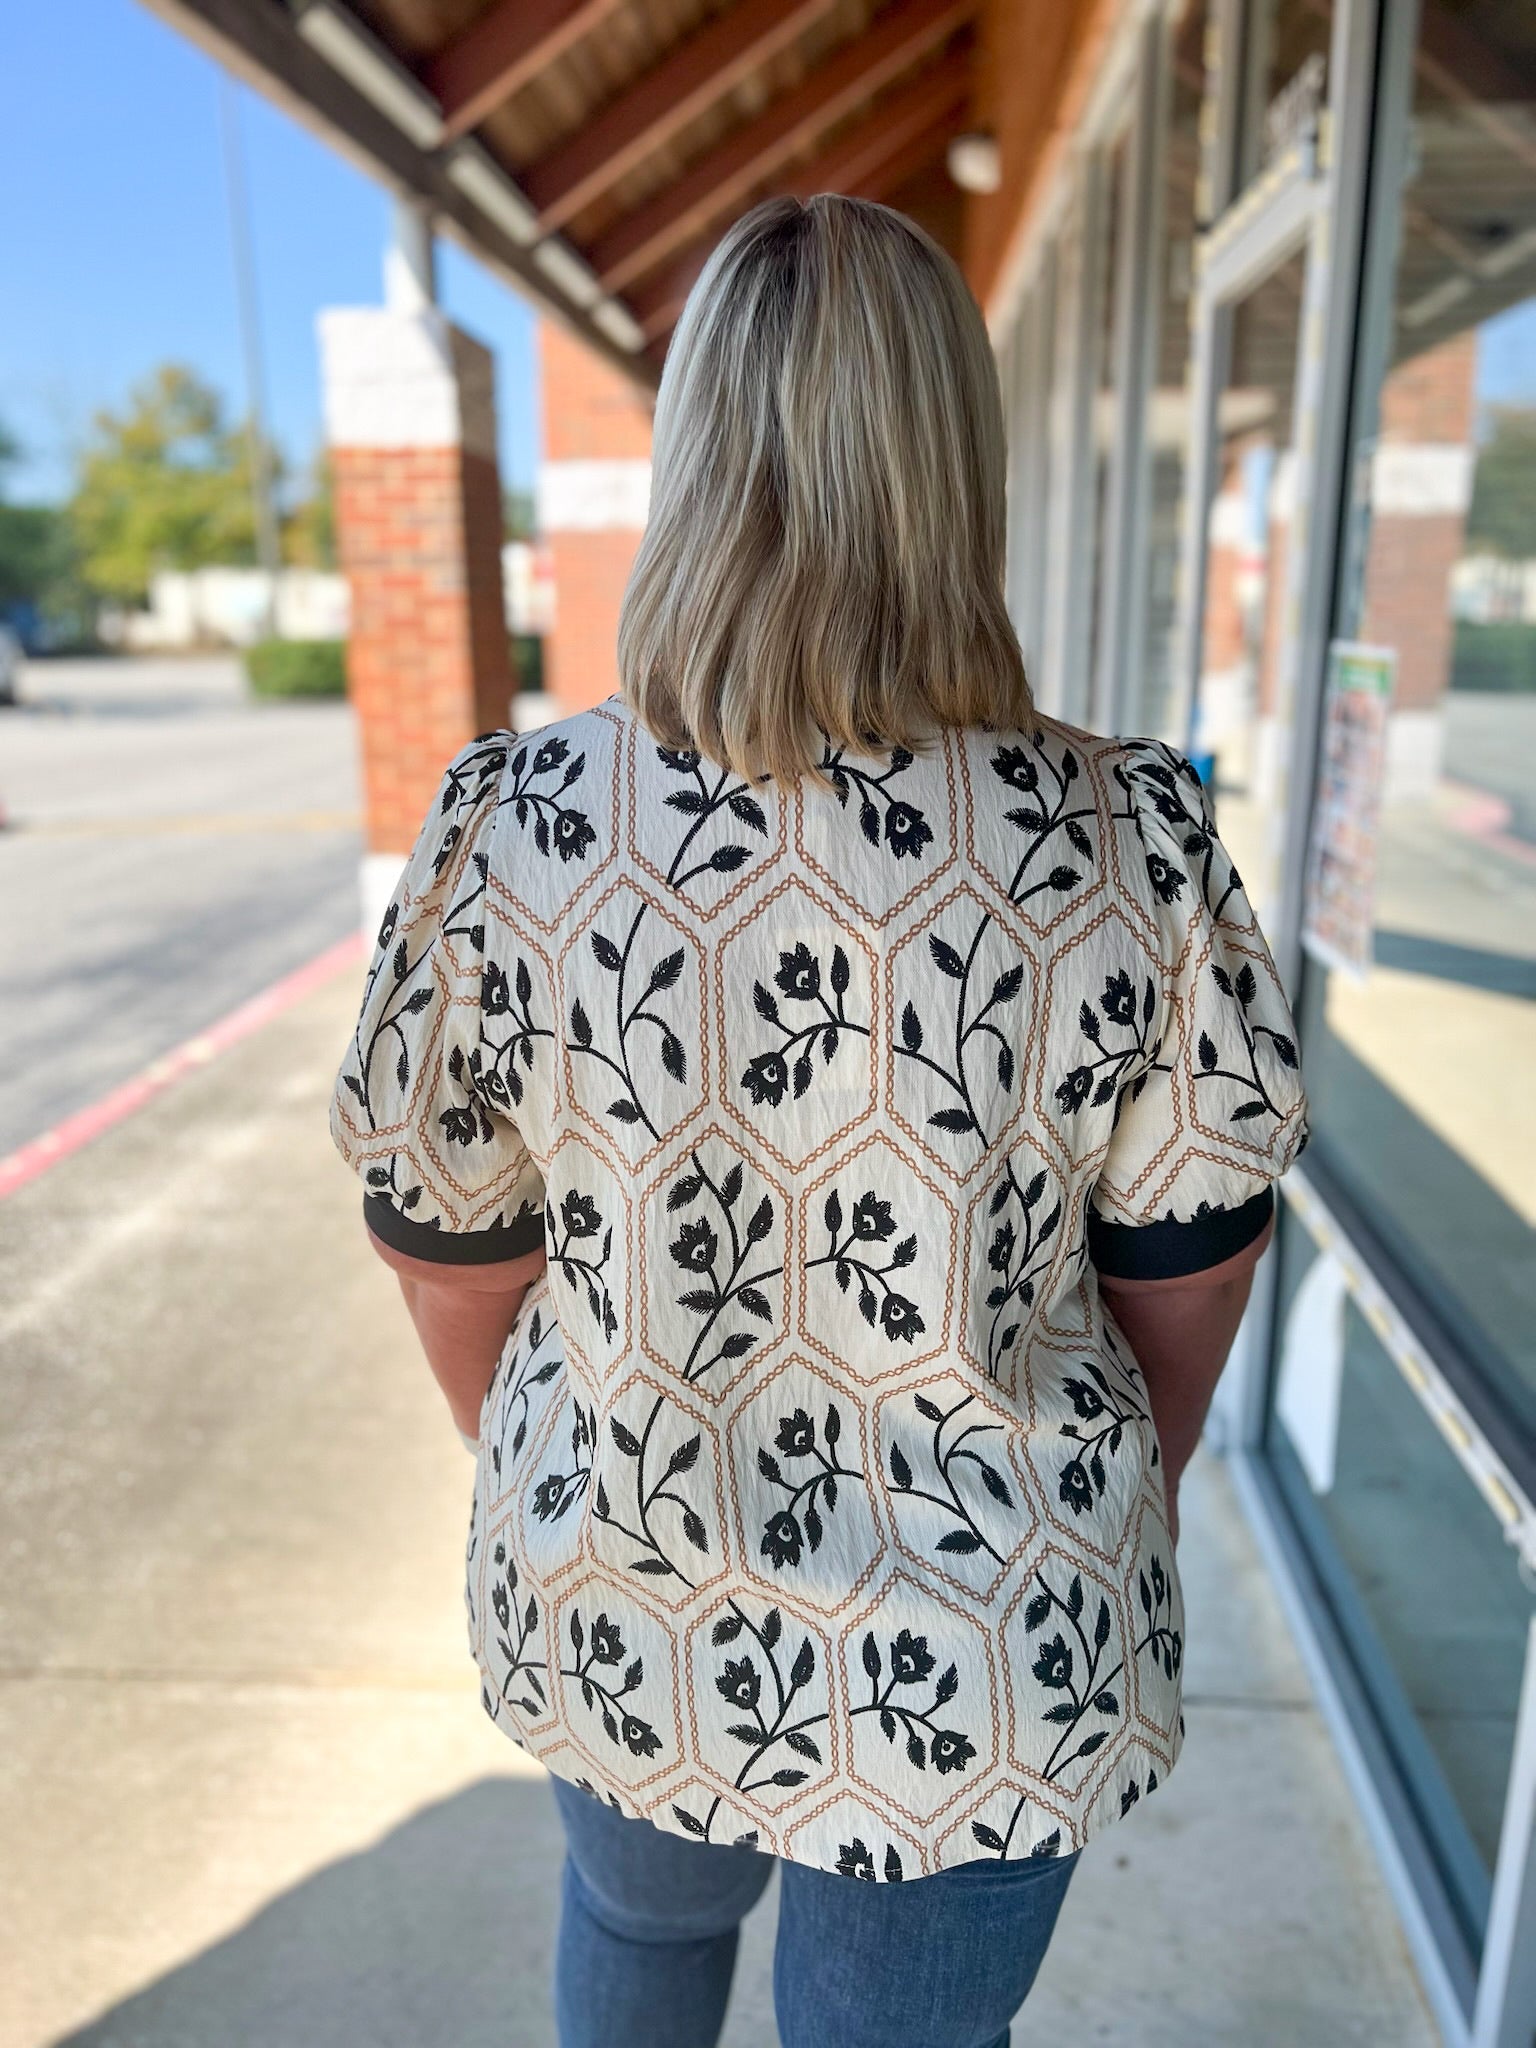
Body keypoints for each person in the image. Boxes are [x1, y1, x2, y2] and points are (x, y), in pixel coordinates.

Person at [331, 194, 1308, 2048]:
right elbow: (1188, 1273)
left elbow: (446, 1234)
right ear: (960, 463)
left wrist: (574, 1436)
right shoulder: (1127, 840)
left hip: (623, 1574)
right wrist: (1079, 1490)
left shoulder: (515, 829)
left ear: (694, 453)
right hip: (993, 1638)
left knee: (636, 1921)